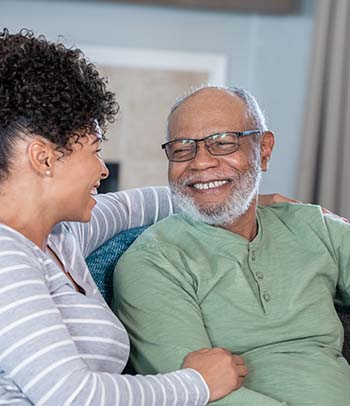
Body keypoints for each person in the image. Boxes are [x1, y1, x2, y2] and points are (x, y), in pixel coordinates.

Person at [0, 29, 250, 405]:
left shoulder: (61, 238)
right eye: (96, 150)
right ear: (44, 158)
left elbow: (138, 205)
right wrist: (197, 383)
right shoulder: (5, 254)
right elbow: (73, 396)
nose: (102, 170)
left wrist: (238, 196)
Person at [113, 86, 350, 405]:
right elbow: (197, 394)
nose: (200, 163)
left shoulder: (313, 226)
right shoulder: (153, 262)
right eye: (182, 149)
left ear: (264, 150)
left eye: (222, 143)